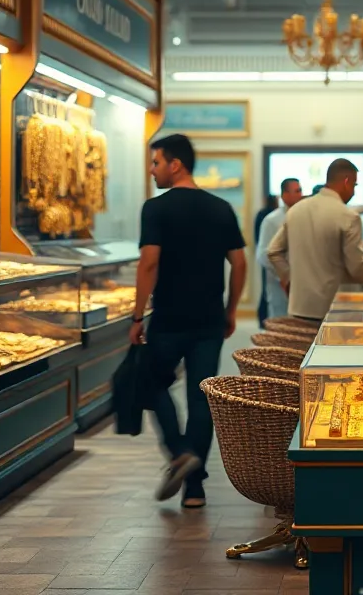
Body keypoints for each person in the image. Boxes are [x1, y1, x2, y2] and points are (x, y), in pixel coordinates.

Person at [130, 133, 247, 509]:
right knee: (201, 397)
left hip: (168, 318)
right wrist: (231, 309)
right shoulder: (220, 208)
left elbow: (149, 263)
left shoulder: (156, 209)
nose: (152, 170)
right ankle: (194, 488)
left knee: (151, 384)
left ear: (175, 164)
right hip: (209, 319)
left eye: (155, 162)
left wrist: (137, 315)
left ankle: (180, 452)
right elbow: (240, 263)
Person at [268, 158, 363, 321]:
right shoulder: (348, 216)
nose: (353, 192)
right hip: (337, 310)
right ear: (346, 182)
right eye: (354, 186)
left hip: (300, 308)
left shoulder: (296, 210)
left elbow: (273, 252)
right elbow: (356, 266)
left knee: (302, 347)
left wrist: (289, 280)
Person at [256, 178, 304, 319]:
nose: (301, 194)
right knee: (280, 327)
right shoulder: (272, 220)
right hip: (279, 285)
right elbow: (263, 255)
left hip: (302, 284)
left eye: (300, 190)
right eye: (297, 191)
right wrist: (285, 275)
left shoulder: (303, 217)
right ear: (284, 195)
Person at [254, 194, 278, 327]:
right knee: (268, 291)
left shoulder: (261, 214)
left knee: (265, 290)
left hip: (264, 256)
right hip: (269, 257)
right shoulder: (271, 218)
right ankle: (264, 319)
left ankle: (262, 319)